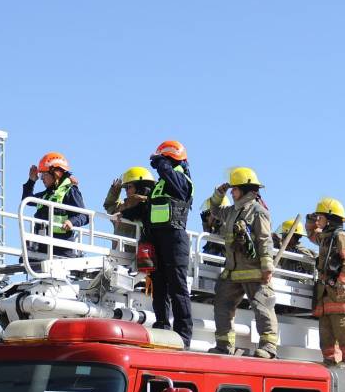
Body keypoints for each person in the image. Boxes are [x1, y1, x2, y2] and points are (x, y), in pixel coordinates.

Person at [119, 140, 194, 347]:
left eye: (163, 160)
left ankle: (183, 335)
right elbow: (148, 210)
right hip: (157, 240)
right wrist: (124, 214)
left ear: (170, 159)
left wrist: (162, 162)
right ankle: (162, 326)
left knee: (177, 288)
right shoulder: (160, 185)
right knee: (159, 286)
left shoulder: (182, 179)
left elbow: (171, 177)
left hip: (175, 239)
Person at [207, 167, 278, 358]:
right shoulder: (232, 211)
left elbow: (265, 239)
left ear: (245, 190)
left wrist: (266, 267)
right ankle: (223, 345)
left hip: (254, 271)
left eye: (234, 189)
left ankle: (269, 347)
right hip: (232, 271)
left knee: (262, 306)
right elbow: (214, 210)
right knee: (222, 304)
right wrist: (218, 194)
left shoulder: (258, 211)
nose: (232, 192)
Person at [309, 198, 345, 368]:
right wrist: (310, 219)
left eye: (321, 217)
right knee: (327, 330)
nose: (319, 220)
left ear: (330, 218)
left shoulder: (340, 237)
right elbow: (311, 234)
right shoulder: (326, 237)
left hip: (339, 290)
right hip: (326, 292)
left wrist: (343, 282)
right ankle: (331, 360)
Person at [22, 151, 88, 264]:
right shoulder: (46, 195)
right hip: (41, 247)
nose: (42, 178)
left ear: (56, 173)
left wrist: (72, 222)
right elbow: (27, 200)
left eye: (44, 175)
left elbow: (85, 216)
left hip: (61, 250)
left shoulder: (70, 191)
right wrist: (31, 181)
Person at [103, 166, 154, 240]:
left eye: (129, 187)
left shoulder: (151, 206)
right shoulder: (123, 207)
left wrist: (124, 213)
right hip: (119, 250)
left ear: (140, 188)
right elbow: (109, 206)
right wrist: (115, 190)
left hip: (139, 250)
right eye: (125, 188)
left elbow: (141, 210)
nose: (126, 190)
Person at [275, 218, 315, 283]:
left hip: (299, 287)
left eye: (284, 235)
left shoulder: (301, 251)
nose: (282, 238)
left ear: (292, 236)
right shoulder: (287, 249)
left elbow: (312, 268)